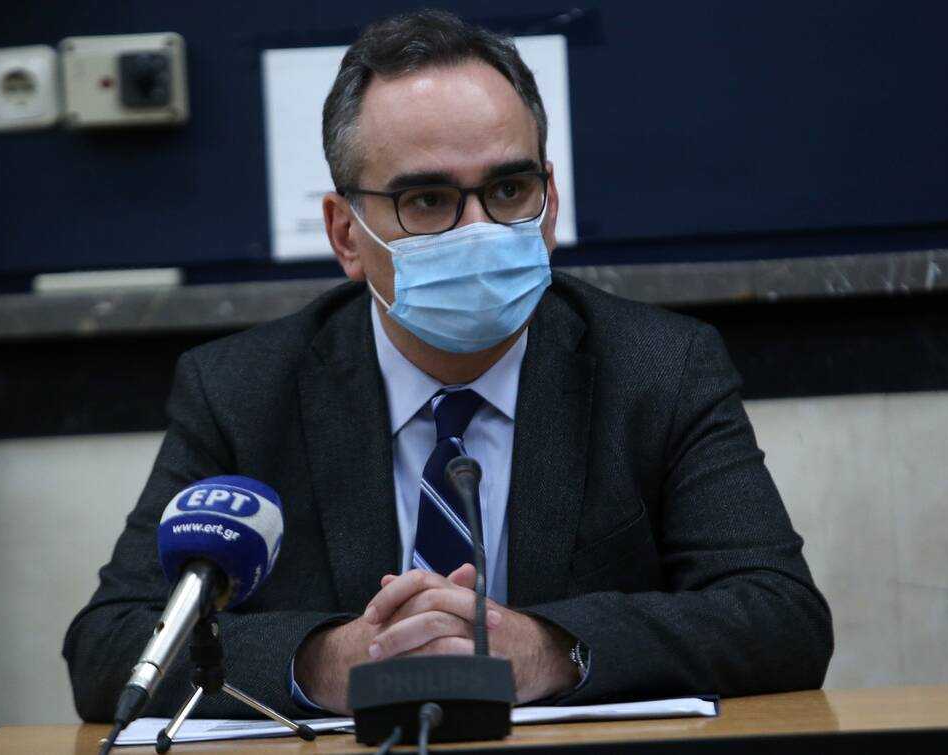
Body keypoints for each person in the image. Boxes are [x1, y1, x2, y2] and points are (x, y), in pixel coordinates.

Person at [64, 8, 832, 720]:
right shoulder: (241, 390)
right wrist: (327, 662)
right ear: (345, 234)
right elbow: (111, 646)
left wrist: (549, 648)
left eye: (509, 188)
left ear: (550, 204)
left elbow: (782, 617)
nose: (478, 228)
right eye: (428, 200)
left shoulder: (659, 369)